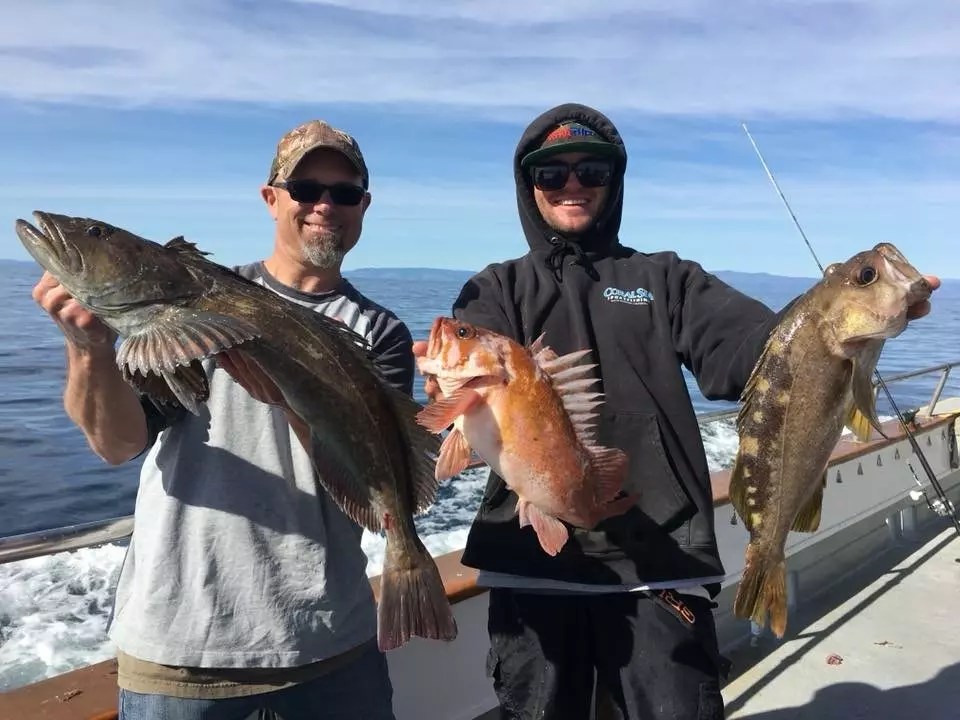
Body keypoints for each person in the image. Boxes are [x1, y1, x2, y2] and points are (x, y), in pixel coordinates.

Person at [422, 103, 939, 719]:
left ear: (615, 182)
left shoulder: (666, 279)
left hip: (659, 568)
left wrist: (846, 323)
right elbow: (470, 389)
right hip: (535, 571)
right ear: (527, 186)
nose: (573, 185)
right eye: (551, 174)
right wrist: (443, 387)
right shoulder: (496, 289)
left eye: (592, 170)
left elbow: (750, 354)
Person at [31, 119, 410, 719]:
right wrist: (87, 349)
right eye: (306, 188)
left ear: (363, 206)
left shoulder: (378, 333)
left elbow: (370, 481)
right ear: (271, 198)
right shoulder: (185, 304)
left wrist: (290, 396)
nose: (323, 206)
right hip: (181, 655)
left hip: (331, 645)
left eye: (343, 193)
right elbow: (115, 444)